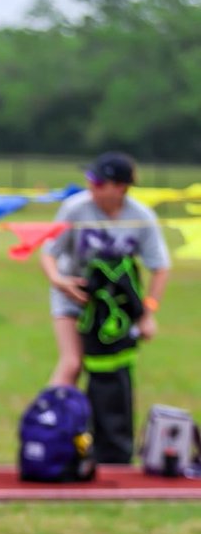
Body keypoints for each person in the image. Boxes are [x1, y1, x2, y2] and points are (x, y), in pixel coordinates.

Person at [40, 152, 171, 385]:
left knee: (109, 368)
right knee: (72, 363)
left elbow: (160, 267)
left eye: (99, 182)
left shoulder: (141, 216)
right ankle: (49, 419)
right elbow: (49, 252)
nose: (91, 186)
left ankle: (101, 420)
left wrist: (146, 313)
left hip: (113, 304)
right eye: (90, 179)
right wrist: (57, 279)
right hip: (73, 295)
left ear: (121, 188)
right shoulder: (75, 208)